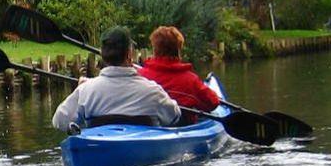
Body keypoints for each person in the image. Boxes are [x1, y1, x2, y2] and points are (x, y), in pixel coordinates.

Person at [51, 26, 180, 131]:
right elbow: (174, 116)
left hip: (100, 151)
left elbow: (59, 122)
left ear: (102, 55)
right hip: (142, 152)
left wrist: (80, 88)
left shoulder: (86, 91)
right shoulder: (153, 91)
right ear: (129, 54)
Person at [139, 25, 221, 113]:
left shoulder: (140, 76)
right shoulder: (191, 80)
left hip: (151, 119)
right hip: (183, 120)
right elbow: (213, 103)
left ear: (155, 49)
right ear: (179, 49)